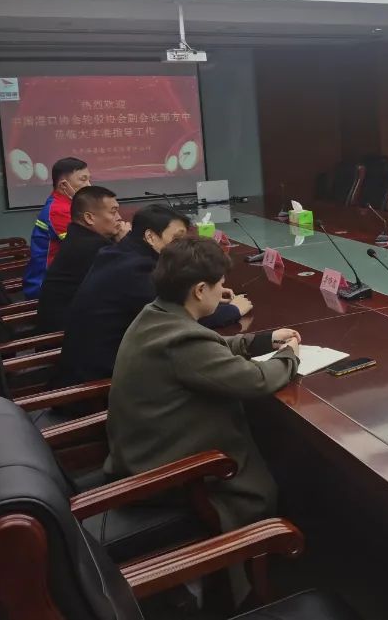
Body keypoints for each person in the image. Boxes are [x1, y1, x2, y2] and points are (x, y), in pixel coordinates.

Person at [104, 236, 299, 604]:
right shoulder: (181, 341)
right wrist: (289, 356)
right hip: (165, 475)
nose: (223, 291)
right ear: (199, 290)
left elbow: (208, 348)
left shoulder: (156, 315)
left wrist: (261, 341)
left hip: (138, 453)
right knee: (267, 480)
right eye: (219, 284)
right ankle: (253, 587)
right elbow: (255, 381)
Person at [53, 204, 252, 388]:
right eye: (176, 240)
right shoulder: (136, 271)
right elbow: (179, 317)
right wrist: (234, 309)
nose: (182, 247)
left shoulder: (120, 254)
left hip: (102, 362)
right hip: (101, 383)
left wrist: (210, 293)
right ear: (150, 237)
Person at [36, 185, 130, 332]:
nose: (119, 217)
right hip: (66, 335)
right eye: (113, 212)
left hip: (74, 322)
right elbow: (127, 281)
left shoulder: (79, 236)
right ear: (89, 218)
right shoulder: (91, 247)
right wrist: (126, 243)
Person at [22, 157, 90, 297]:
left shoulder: (65, 204)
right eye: (83, 180)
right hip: (46, 287)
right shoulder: (58, 210)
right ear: (64, 185)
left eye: (89, 179)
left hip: (61, 278)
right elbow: (83, 248)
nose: (88, 185)